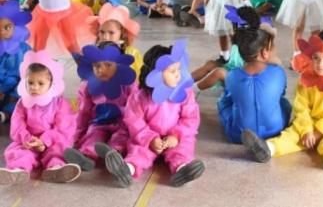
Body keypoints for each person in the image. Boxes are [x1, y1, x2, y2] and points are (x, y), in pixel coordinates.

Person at [241, 33, 323, 171]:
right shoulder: (306, 80)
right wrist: (307, 130)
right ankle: (268, 149)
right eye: (316, 58)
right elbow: (300, 107)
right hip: (309, 122)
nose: (320, 64)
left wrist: (319, 132)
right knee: (292, 135)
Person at [111, 40, 206, 187]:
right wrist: (150, 139)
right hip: (147, 138)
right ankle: (127, 169)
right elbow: (133, 120)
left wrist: (176, 136)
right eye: (172, 71)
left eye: (178, 70)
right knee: (138, 151)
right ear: (156, 74)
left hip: (174, 138)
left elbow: (191, 118)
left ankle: (182, 169)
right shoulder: (140, 96)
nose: (178, 75)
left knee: (183, 148)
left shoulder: (185, 93)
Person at [0, 50, 80, 184]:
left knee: (58, 150)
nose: (34, 87)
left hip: (51, 141)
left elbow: (63, 127)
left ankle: (56, 168)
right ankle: (18, 171)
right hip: (28, 142)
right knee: (20, 152)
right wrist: (28, 140)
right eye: (30, 82)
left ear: (51, 83)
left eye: (40, 83)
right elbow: (17, 125)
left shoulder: (60, 103)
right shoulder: (23, 102)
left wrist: (44, 141)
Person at [63, 42, 136, 182]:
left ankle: (114, 155)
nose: (102, 70)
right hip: (98, 123)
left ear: (119, 65)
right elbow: (82, 113)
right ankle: (86, 158)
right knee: (92, 137)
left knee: (120, 138)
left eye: (108, 65)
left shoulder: (128, 84)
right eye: (97, 66)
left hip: (122, 123)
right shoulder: (88, 86)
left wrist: (134, 131)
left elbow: (134, 110)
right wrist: (75, 137)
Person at [217, 7, 290, 143]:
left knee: (223, 102)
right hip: (274, 130)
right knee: (284, 103)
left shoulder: (232, 76)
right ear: (264, 53)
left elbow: (232, 99)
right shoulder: (279, 72)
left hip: (238, 135)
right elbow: (281, 94)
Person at [87, 4, 143, 77]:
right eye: (102, 32)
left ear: (122, 32)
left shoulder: (131, 54)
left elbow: (138, 79)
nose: (106, 38)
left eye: (111, 33)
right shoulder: (94, 53)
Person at [0, 0, 32, 124]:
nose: (2, 31)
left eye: (7, 27)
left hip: (15, 87)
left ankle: (6, 114)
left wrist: (2, 90)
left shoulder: (20, 49)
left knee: (23, 95)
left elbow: (16, 75)